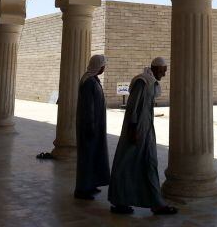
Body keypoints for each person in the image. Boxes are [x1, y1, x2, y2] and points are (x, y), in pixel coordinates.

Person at [108, 57, 178, 215]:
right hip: (136, 131)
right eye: (162, 71)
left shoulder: (150, 82)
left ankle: (155, 203)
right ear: (154, 68)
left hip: (146, 130)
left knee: (149, 163)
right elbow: (132, 107)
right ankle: (120, 201)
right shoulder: (142, 82)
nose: (164, 74)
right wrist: (133, 130)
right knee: (126, 164)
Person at [74, 54, 110, 200]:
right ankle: (82, 189)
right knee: (87, 157)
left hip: (96, 125)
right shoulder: (89, 82)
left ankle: (91, 184)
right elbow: (88, 107)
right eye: (103, 65)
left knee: (93, 156)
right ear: (98, 66)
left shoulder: (93, 79)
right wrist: (90, 126)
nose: (104, 67)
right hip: (90, 126)